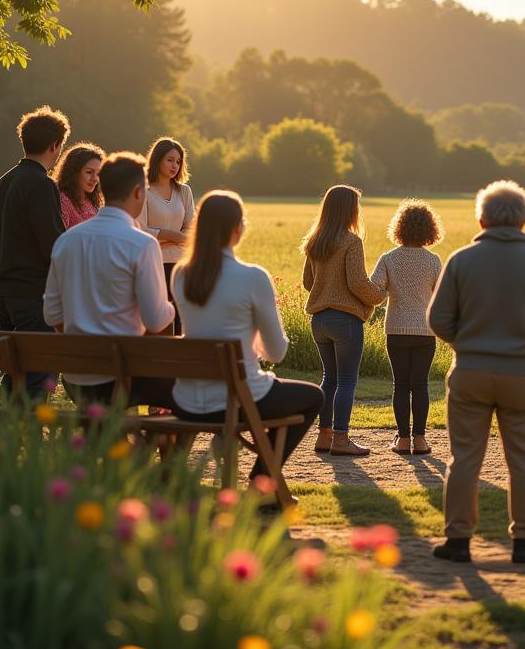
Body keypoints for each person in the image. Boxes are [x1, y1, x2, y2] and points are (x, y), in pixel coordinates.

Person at [429, 181, 525, 564]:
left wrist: (467, 342)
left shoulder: (461, 260)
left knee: (464, 459)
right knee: (524, 459)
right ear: (524, 219)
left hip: (471, 370)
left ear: (482, 217)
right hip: (522, 374)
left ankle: (458, 540)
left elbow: (438, 318)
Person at [171, 191, 324, 483]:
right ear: (237, 229)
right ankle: (261, 482)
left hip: (187, 399)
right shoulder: (252, 277)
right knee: (313, 397)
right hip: (238, 399)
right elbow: (276, 353)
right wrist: (254, 343)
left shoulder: (180, 274)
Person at [43, 152, 177, 407]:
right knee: (190, 397)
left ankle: (124, 444)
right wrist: (170, 306)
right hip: (123, 378)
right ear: (138, 192)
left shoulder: (66, 241)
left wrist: (85, 350)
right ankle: (151, 444)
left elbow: (52, 315)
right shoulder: (142, 244)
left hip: (76, 379)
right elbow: (156, 320)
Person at [0, 105, 70, 400]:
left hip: (4, 293)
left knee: (14, 373)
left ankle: (8, 440)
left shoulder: (4, 182)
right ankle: (30, 441)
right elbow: (54, 246)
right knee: (37, 377)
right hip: (34, 295)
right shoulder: (42, 185)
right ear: (56, 145)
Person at [302, 185, 385, 457]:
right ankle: (341, 439)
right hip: (345, 320)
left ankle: (324, 436)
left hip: (319, 320)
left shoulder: (314, 241)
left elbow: (307, 282)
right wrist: (380, 295)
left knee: (330, 378)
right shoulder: (351, 241)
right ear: (349, 209)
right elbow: (358, 283)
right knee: (347, 381)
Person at [370, 199, 444, 456]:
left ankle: (403, 440)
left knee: (400, 385)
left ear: (399, 227)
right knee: (420, 385)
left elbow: (375, 292)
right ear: (429, 229)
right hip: (425, 331)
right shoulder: (434, 261)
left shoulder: (388, 259)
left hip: (396, 329)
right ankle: (420, 441)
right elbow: (441, 298)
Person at [138, 137, 195, 333]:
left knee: (181, 318)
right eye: (170, 160)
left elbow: (192, 228)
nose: (175, 165)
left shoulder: (184, 192)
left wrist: (165, 237)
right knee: (158, 321)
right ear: (157, 160)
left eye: (178, 161)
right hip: (154, 263)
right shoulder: (143, 191)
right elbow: (141, 229)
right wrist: (175, 236)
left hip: (180, 265)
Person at [56, 143, 104, 229]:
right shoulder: (63, 201)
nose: (95, 178)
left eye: (98, 173)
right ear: (74, 172)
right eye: (89, 172)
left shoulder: (93, 202)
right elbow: (61, 239)